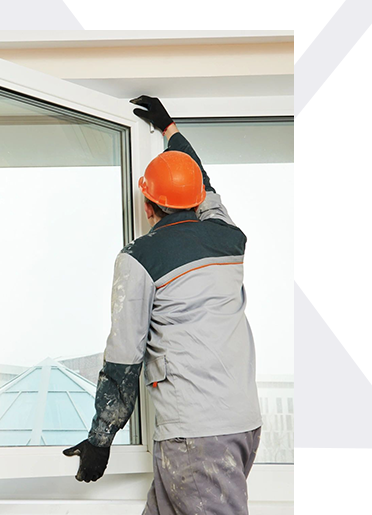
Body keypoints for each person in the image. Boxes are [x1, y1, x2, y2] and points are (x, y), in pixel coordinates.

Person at [64, 97, 262, 515]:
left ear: (148, 206)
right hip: (240, 425)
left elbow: (123, 358)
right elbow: (202, 182)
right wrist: (169, 128)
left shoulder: (140, 258)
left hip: (198, 436)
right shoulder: (228, 235)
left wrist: (101, 439)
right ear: (196, 201)